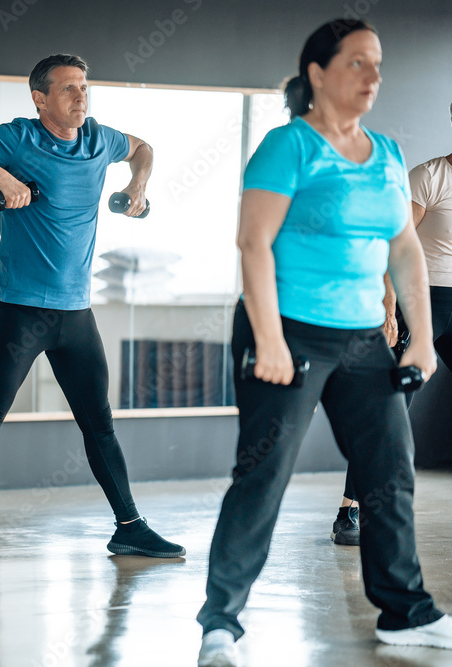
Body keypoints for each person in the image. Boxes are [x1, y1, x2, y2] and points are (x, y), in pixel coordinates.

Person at [197, 20, 452, 667]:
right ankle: (221, 622)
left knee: (390, 470)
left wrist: (419, 336)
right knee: (264, 473)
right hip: (288, 328)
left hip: (364, 335)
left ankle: (405, 611)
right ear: (318, 72)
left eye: (379, 65)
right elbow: (253, 243)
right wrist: (270, 338)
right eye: (359, 63)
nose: (374, 77)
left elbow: (404, 250)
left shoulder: (388, 153)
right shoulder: (290, 148)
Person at [0, 53, 185, 579]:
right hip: (22, 312)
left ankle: (129, 526)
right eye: (68, 89)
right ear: (41, 99)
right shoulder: (19, 138)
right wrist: (2, 176)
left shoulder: (98, 139)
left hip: (76, 314)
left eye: (84, 87)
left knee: (99, 425)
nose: (80, 97)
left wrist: (138, 185)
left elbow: (144, 148)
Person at [331, 101, 452, 548]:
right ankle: (351, 510)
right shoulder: (430, 177)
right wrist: (386, 307)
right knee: (390, 405)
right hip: (418, 297)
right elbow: (392, 243)